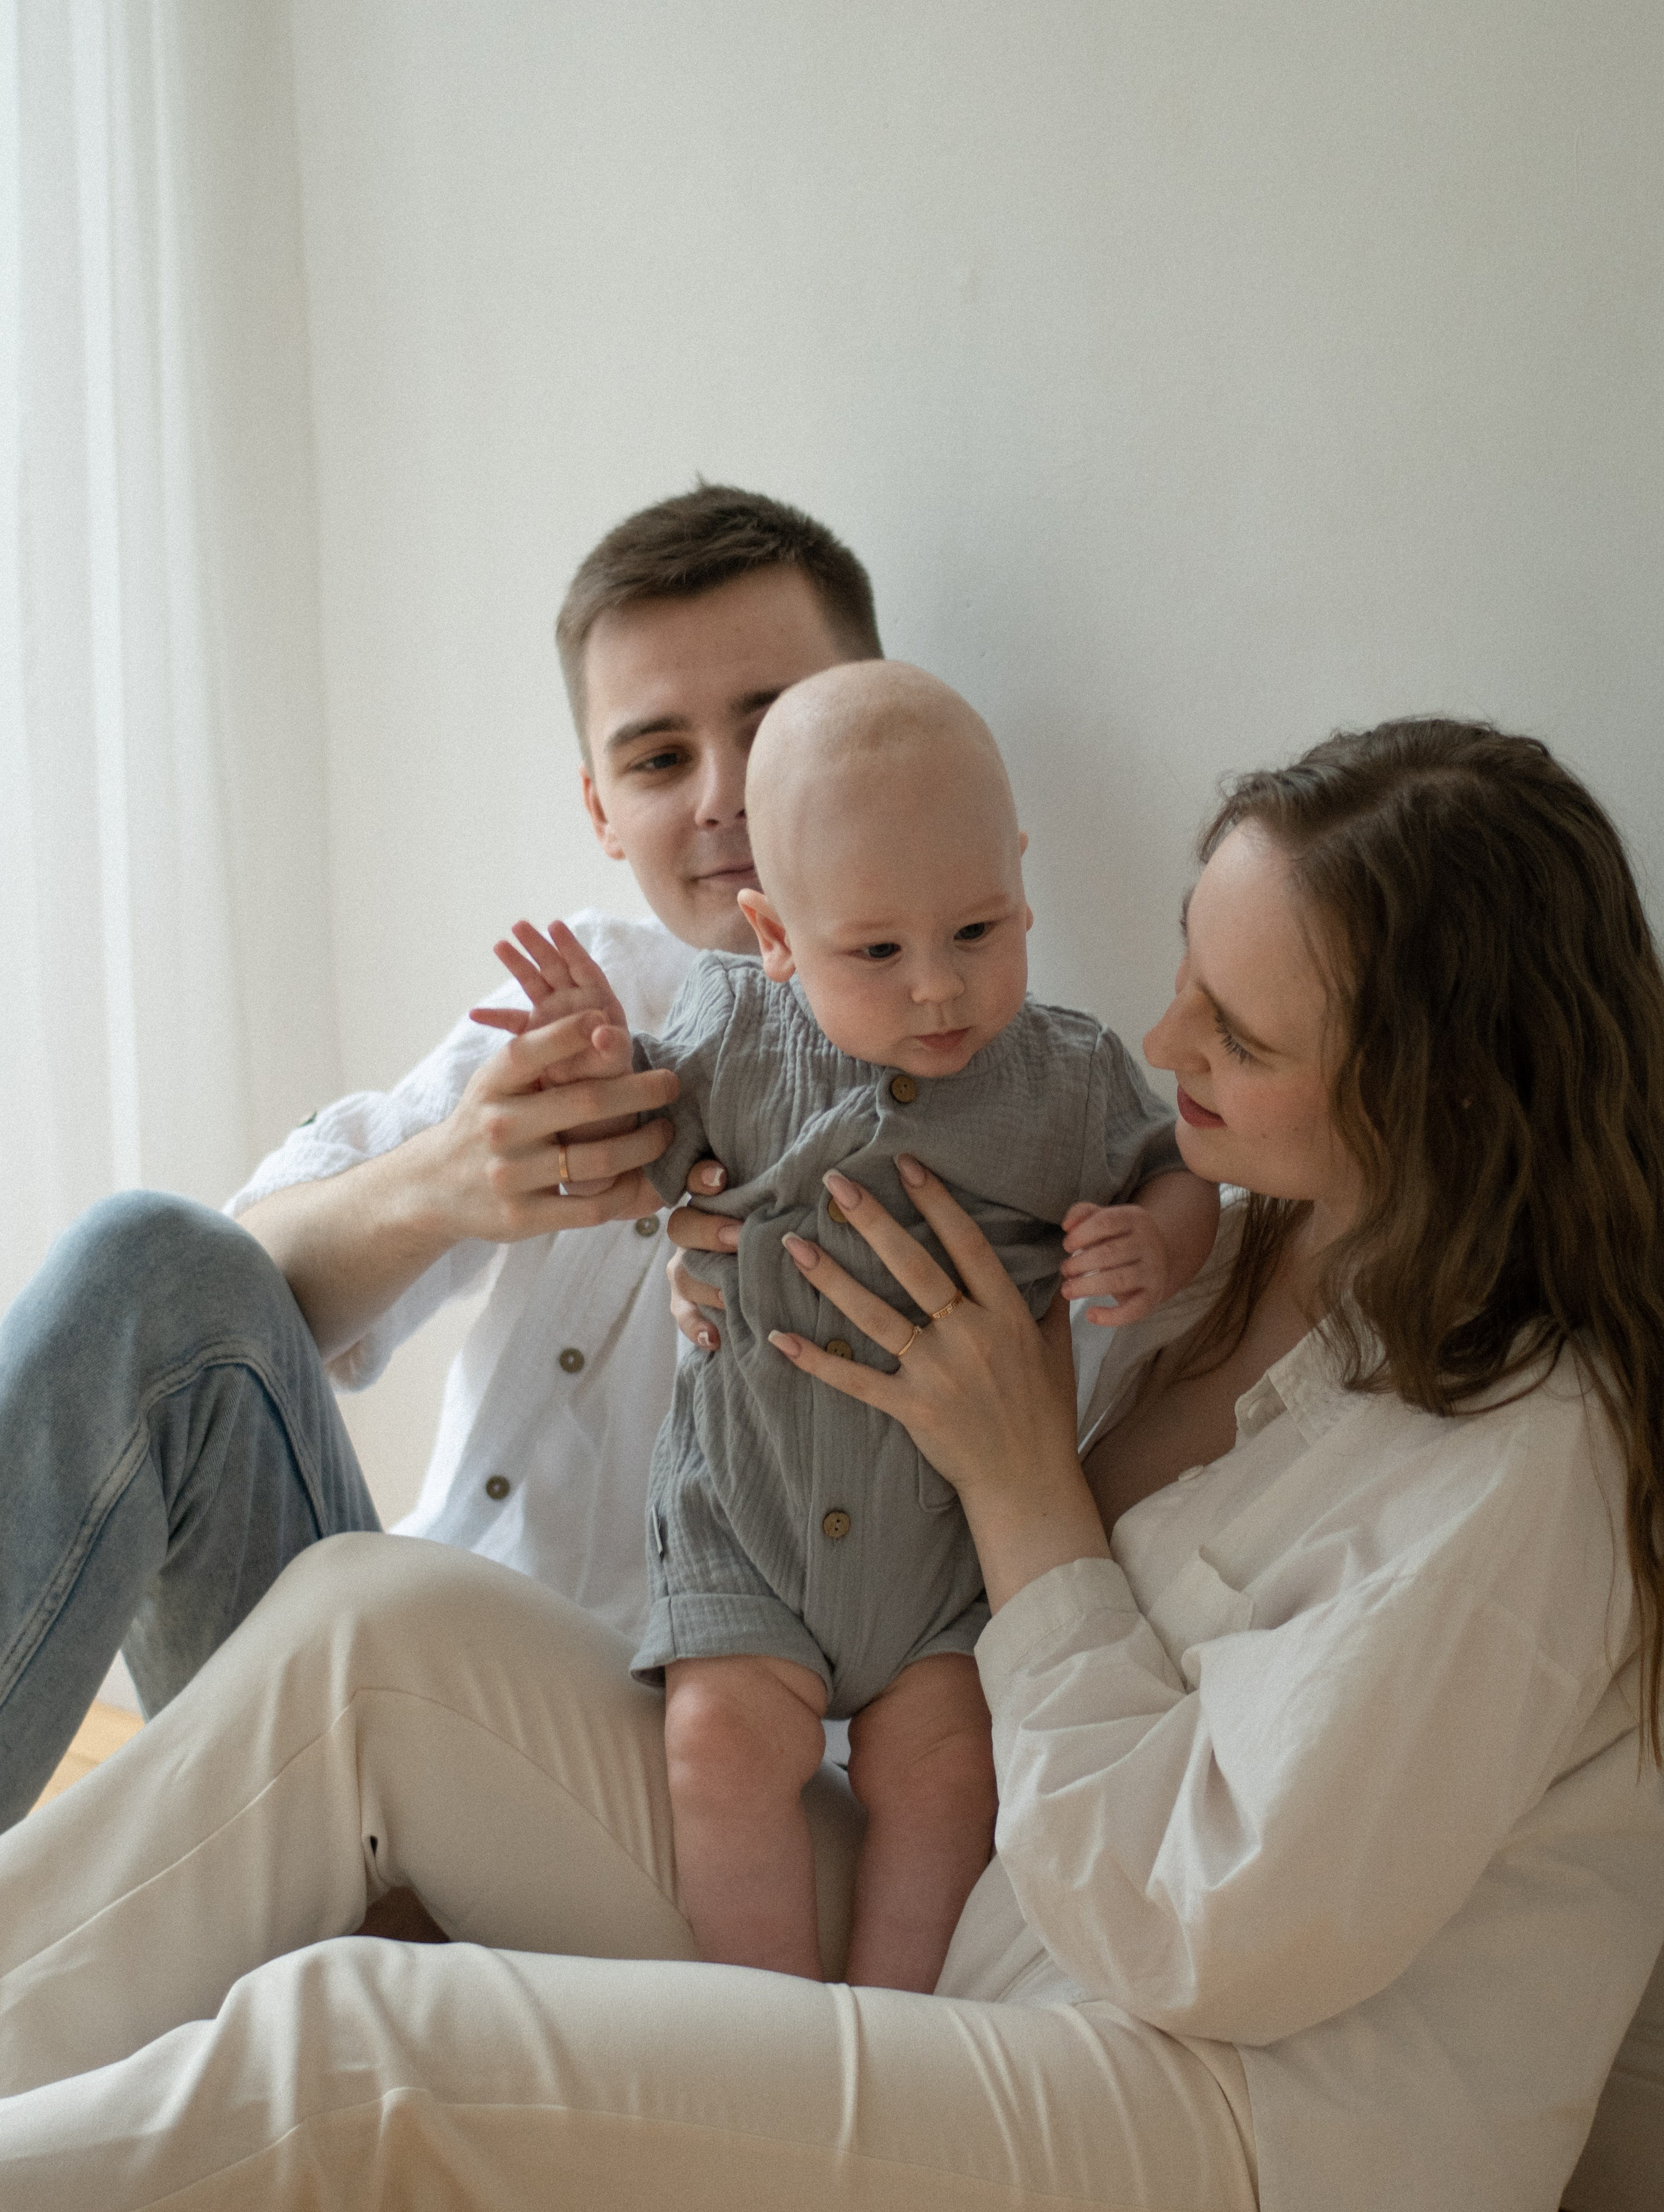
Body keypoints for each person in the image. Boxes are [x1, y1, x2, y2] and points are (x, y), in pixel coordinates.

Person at [5, 716, 1660, 2212]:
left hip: (1214, 2107)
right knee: (370, 1631)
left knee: (364, 2052)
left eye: (1234, 1032)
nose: (1162, 1040)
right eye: (1184, 974)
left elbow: (1203, 1926)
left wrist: (1020, 1483)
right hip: (999, 1922)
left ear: (1435, 1094)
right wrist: (728, 1259)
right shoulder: (1236, 1256)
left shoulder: (1528, 1463)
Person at [0, 483, 890, 1827]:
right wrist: (453, 1182)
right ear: (601, 808)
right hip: (403, 1684)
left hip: (699, 1794)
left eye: (766, 731)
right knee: (141, 1257)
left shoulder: (987, 1090)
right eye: (658, 760)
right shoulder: (584, 1001)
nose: (720, 797)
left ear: (869, 722)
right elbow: (221, 1295)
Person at [478, 663, 1217, 1990]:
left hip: (942, 1560)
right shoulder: (728, 1031)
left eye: (977, 930)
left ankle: (885, 2032)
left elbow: (1175, 1165)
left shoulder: (1063, 1077)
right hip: (748, 1517)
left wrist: (1157, 1237)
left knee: (948, 1775)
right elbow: (648, 1153)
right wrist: (600, 1060)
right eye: (876, 952)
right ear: (773, 935)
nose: (938, 987)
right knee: (717, 1748)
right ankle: (773, 2024)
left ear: (1020, 882)